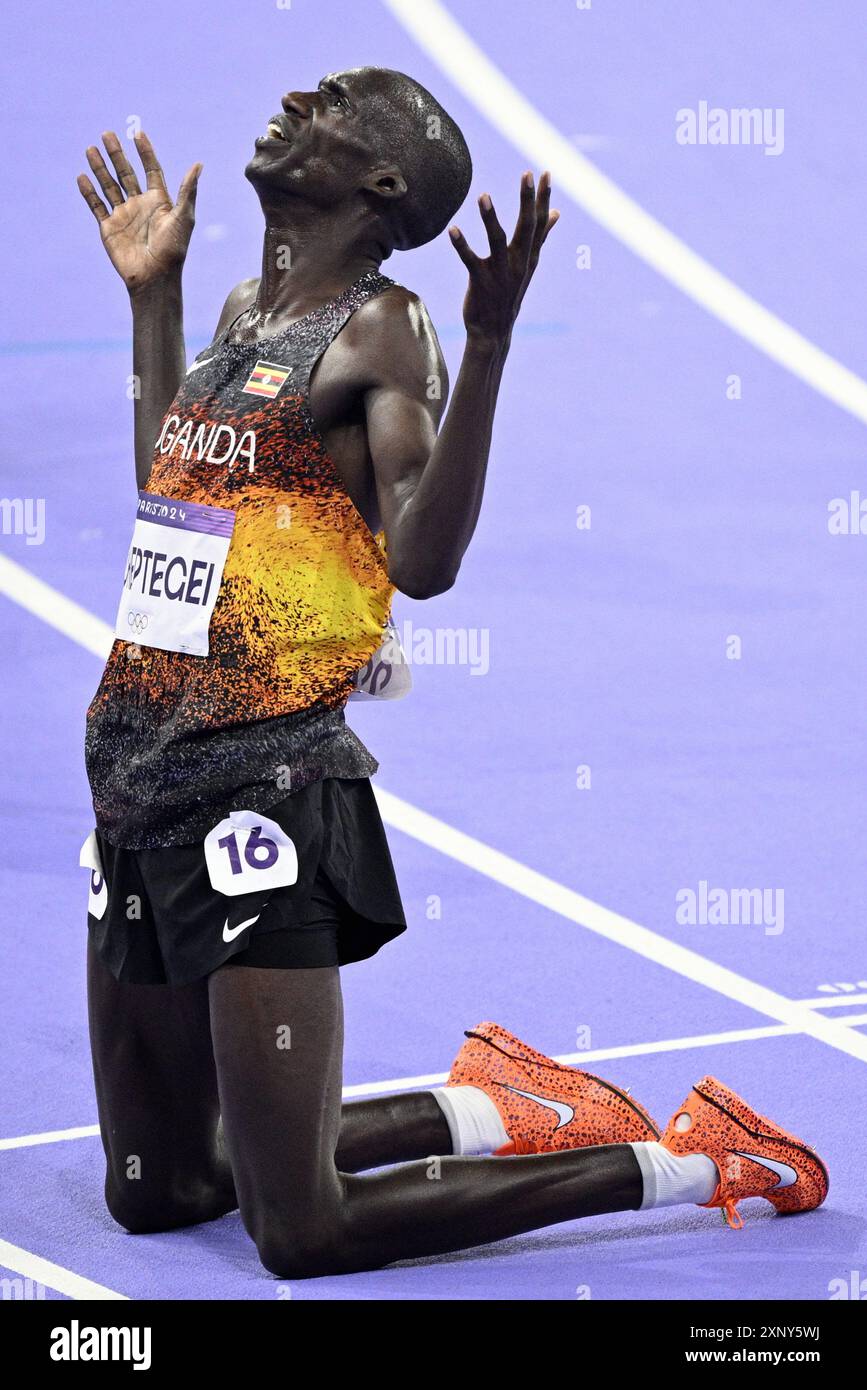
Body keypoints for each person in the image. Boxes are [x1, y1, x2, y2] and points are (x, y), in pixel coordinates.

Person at [76, 67, 826, 1278]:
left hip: (260, 792)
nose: (296, 98)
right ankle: (480, 1104)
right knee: (157, 1194)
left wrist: (485, 347)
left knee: (299, 1229)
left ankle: (687, 1162)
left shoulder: (386, 327)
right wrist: (151, 303)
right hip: (136, 782)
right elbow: (174, 492)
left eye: (333, 104)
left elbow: (423, 561)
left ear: (378, 182)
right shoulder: (233, 312)